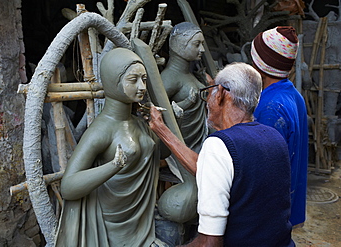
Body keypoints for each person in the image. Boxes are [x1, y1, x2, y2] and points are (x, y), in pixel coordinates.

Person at [147, 62, 295, 246]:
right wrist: (162, 131)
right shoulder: (274, 137)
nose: (207, 100)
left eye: (209, 91)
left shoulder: (219, 146)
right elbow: (211, 169)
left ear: (221, 94)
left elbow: (210, 242)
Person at [55, 48, 168, 246]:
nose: (141, 86)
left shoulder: (139, 121)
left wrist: (167, 126)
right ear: (113, 81)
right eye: (133, 80)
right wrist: (113, 166)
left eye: (143, 79)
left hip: (141, 218)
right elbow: (68, 187)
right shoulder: (102, 130)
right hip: (110, 223)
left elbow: (163, 153)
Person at [251, 26, 309, 227]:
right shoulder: (293, 95)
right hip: (286, 209)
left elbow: (263, 172)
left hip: (269, 217)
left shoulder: (270, 108)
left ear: (260, 65)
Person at [161, 21, 208, 153]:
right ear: (179, 45)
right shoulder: (170, 78)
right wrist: (186, 103)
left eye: (202, 44)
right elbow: (156, 113)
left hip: (199, 140)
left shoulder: (190, 74)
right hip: (183, 147)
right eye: (196, 44)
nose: (202, 50)